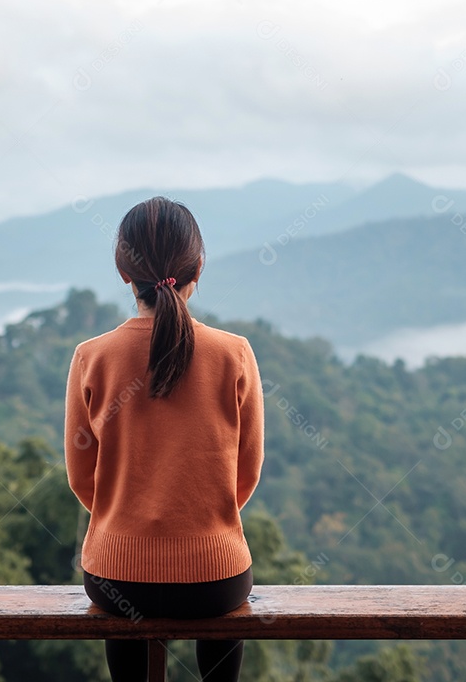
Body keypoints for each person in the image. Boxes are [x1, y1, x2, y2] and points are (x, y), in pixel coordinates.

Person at [64, 196, 265, 682]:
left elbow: (81, 478)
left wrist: (126, 520)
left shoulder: (92, 357)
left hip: (116, 579)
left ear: (122, 270)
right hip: (215, 579)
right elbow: (246, 472)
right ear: (198, 268)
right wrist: (201, 519)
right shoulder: (233, 354)